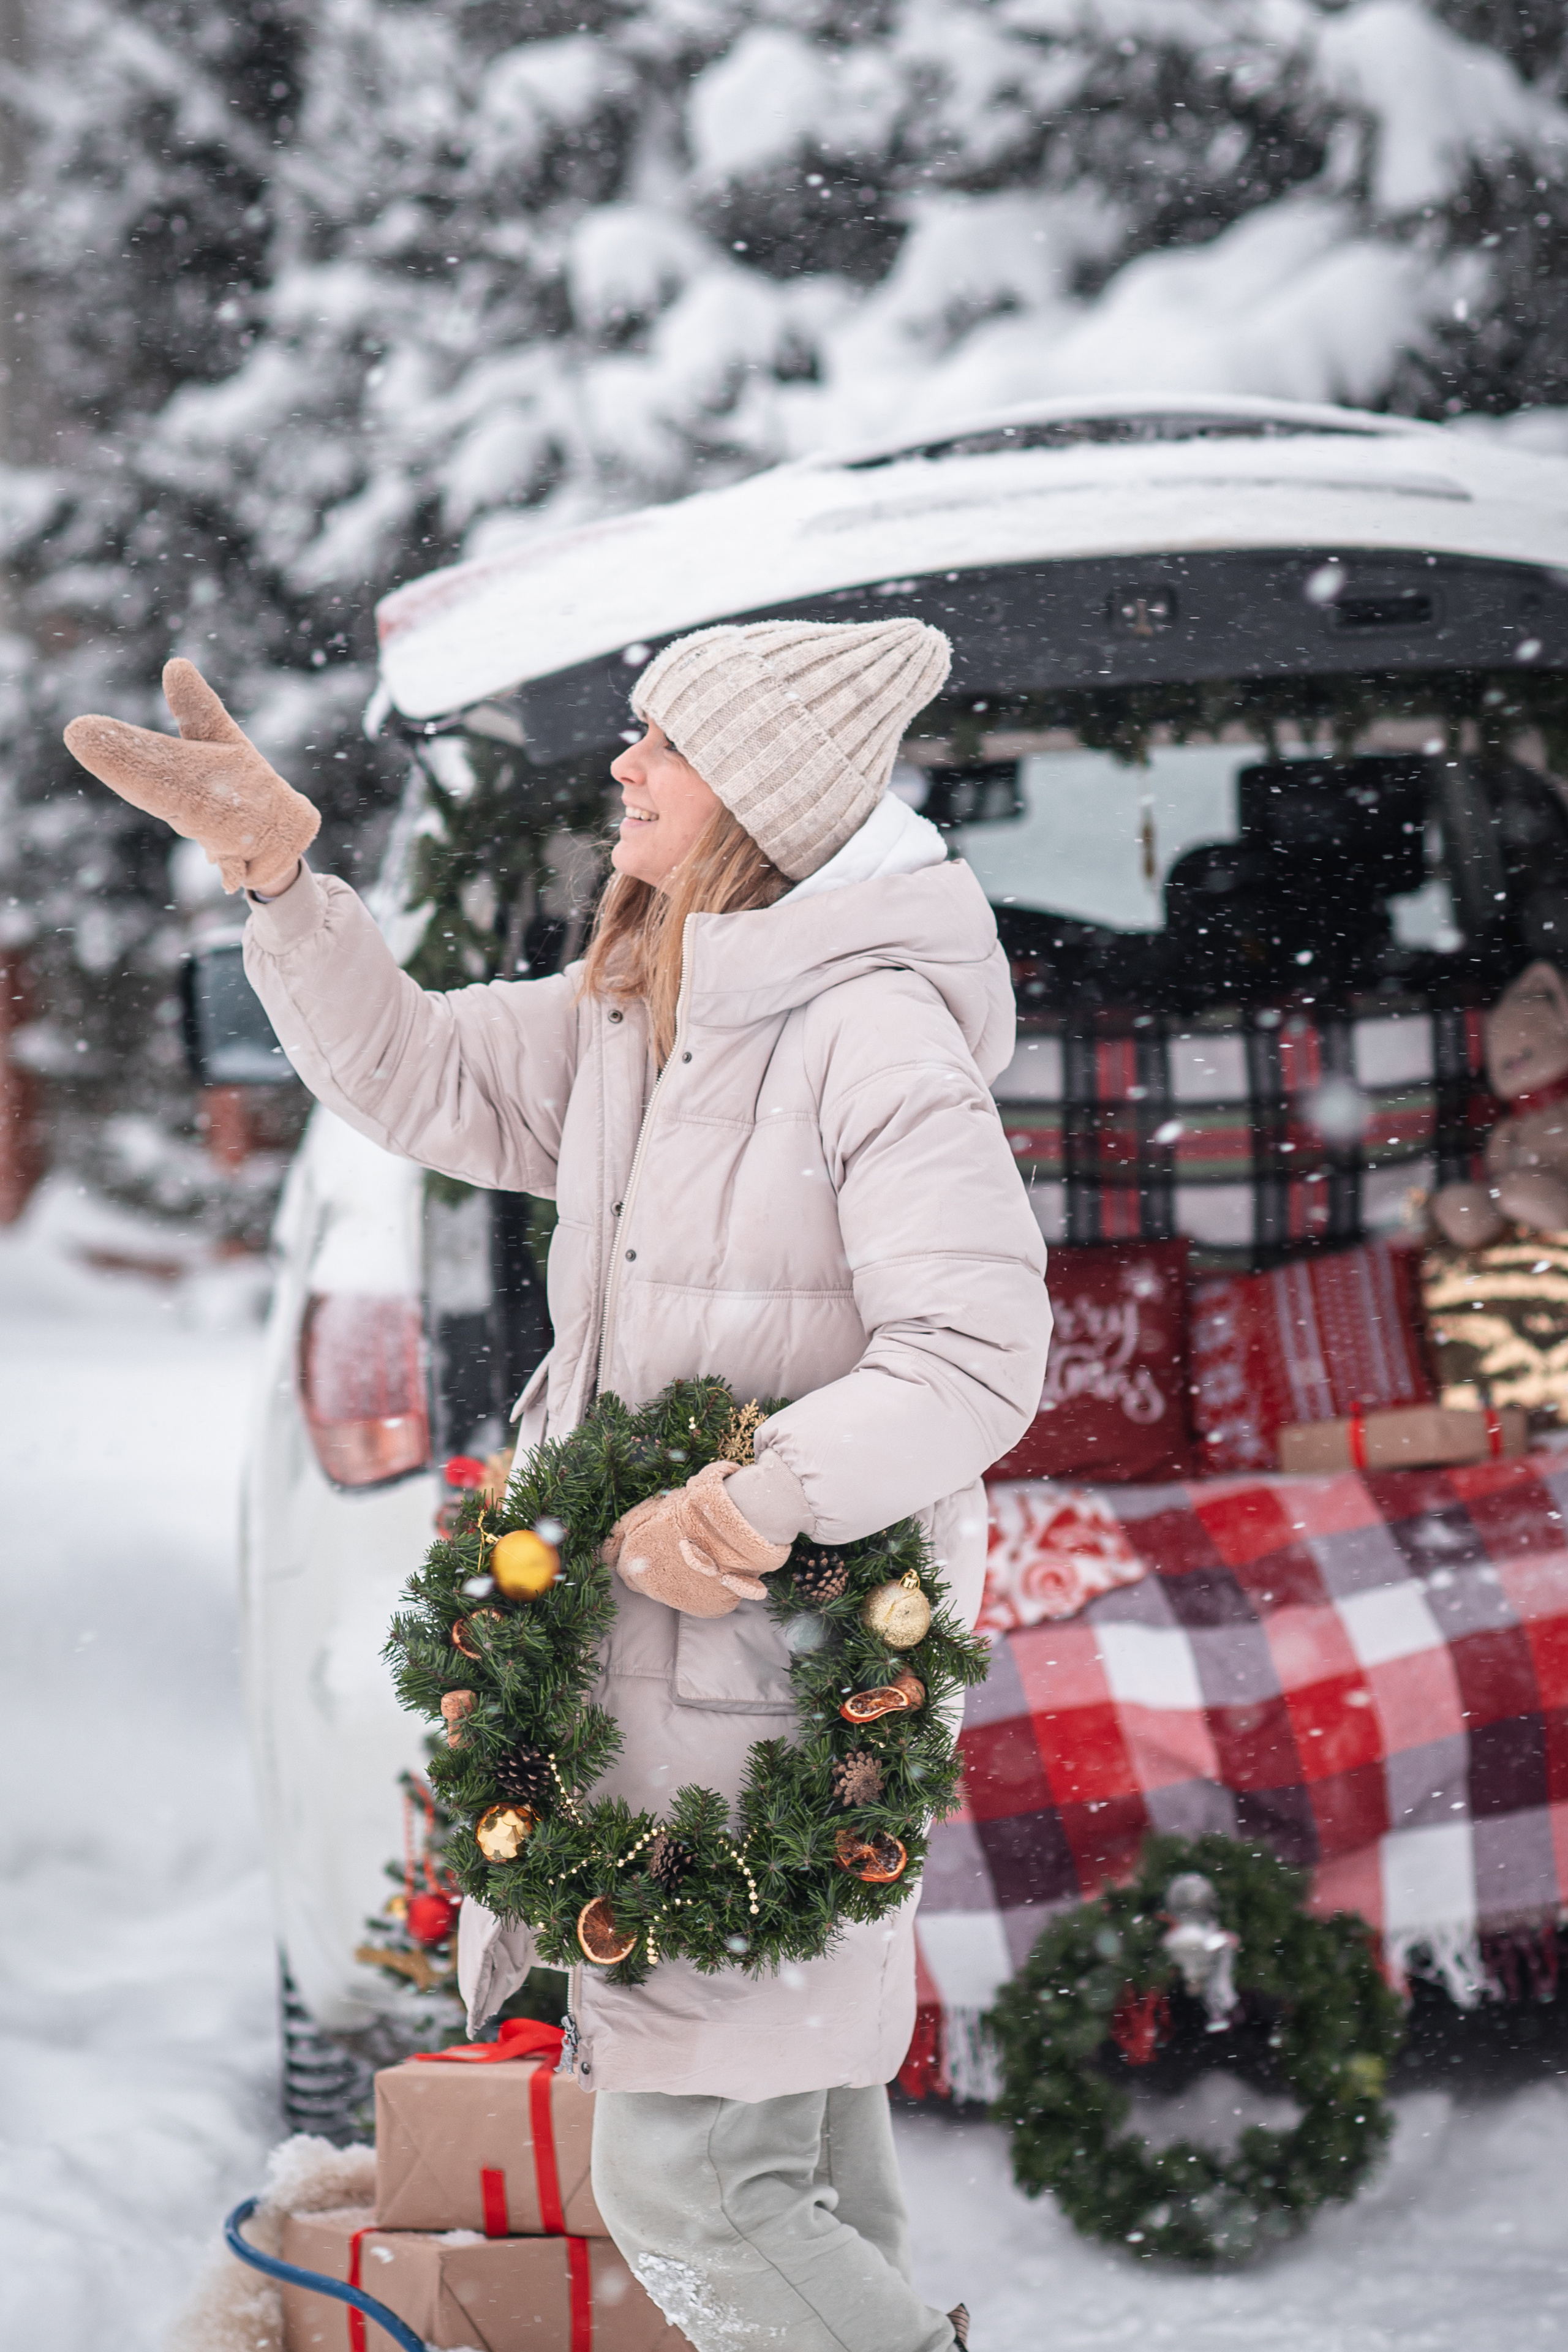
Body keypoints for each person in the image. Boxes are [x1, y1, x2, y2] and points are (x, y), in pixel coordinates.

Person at [66, 616, 1052, 2352]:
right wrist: (288, 884)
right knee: (803, 2148)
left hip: (783, 1683)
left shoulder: (870, 1037)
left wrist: (755, 1499)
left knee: (697, 2185)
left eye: (661, 741)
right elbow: (421, 1072)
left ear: (756, 792)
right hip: (659, 1675)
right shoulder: (646, 1010)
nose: (624, 764)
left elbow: (974, 1361)